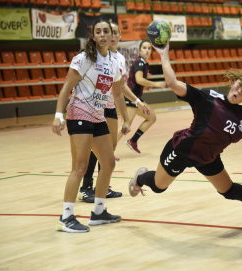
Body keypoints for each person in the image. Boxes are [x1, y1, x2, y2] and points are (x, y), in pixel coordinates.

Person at [128, 39, 242, 223]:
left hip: (208, 157)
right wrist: (163, 54)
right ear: (232, 83)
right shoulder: (208, 99)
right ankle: (140, 178)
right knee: (158, 187)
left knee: (228, 191)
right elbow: (173, 82)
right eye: (238, 85)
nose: (239, 91)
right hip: (181, 150)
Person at [52, 19, 131, 233]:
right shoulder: (85, 58)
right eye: (99, 31)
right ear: (94, 35)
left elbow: (116, 93)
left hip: (98, 116)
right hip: (79, 113)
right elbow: (66, 87)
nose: (104, 35)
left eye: (107, 31)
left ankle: (98, 212)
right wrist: (58, 115)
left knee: (108, 163)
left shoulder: (114, 62)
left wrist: (125, 118)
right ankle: (66, 217)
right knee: (80, 166)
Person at [78, 22, 151, 203]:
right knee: (95, 150)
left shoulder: (118, 58)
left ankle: (103, 186)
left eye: (115, 33)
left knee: (109, 150)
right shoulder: (97, 55)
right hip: (95, 107)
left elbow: (120, 87)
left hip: (110, 107)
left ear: (117, 36)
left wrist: (137, 100)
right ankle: (86, 187)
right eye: (108, 33)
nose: (111, 36)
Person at [117, 40, 166, 154]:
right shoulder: (140, 63)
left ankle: (133, 141)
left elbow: (135, 83)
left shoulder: (143, 63)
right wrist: (155, 84)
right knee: (124, 127)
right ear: (139, 50)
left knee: (151, 117)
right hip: (130, 99)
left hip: (135, 99)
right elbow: (139, 80)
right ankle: (107, 152)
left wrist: (144, 87)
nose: (147, 50)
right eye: (144, 48)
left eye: (149, 48)